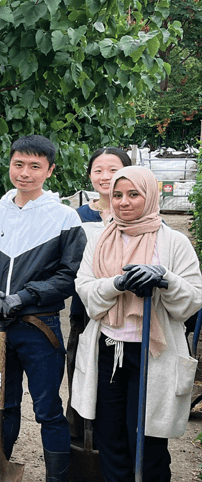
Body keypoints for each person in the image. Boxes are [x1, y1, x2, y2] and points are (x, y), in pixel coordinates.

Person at [71, 166, 202, 482]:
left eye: (133, 194)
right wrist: (117, 283)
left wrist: (164, 279)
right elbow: (85, 289)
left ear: (150, 196)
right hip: (107, 350)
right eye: (117, 195)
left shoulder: (174, 242)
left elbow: (193, 300)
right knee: (109, 436)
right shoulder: (100, 239)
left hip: (153, 354)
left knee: (145, 438)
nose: (123, 202)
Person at [0, 135, 86, 482]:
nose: (25, 173)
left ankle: (57, 478)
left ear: (49, 170)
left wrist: (25, 297)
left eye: (35, 166)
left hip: (40, 327)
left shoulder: (65, 218)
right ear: (10, 165)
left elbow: (68, 275)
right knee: (1, 405)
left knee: (48, 409)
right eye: (18, 164)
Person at [66, 147, 131, 441]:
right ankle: (82, 450)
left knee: (117, 394)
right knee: (81, 382)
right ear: (90, 175)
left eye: (113, 170)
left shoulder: (141, 214)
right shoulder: (77, 216)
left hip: (130, 319)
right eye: (98, 170)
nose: (105, 177)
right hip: (85, 314)